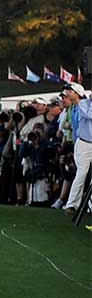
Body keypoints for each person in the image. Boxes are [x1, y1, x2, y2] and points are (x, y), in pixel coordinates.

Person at [62, 85, 92, 216]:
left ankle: (90, 205)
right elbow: (89, 115)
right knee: (81, 173)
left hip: (86, 142)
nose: (68, 93)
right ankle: (72, 204)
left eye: (70, 91)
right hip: (84, 142)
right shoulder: (83, 104)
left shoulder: (82, 104)